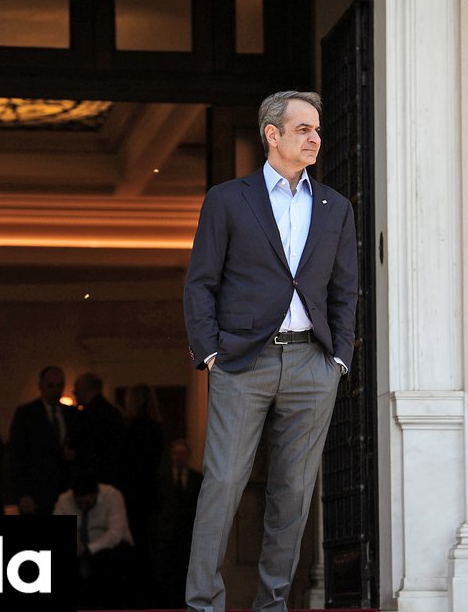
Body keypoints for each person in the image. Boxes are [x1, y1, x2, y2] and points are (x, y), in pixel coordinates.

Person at [182, 90, 358, 612]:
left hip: (312, 364)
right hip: (243, 363)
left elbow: (345, 290)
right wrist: (210, 353)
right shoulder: (227, 199)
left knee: (293, 492)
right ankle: (203, 603)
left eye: (317, 129)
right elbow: (201, 283)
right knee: (223, 484)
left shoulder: (335, 207)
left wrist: (338, 359)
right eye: (303, 129)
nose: (315, 138)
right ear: (272, 134)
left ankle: (273, 604)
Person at [54, 471, 135, 609]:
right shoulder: (64, 500)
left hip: (109, 549)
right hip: (79, 549)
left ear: (95, 494)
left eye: (86, 502)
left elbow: (115, 533)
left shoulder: (112, 495)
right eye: (79, 503)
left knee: (109, 561)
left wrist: (88, 548)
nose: (83, 507)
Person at [118, 384, 165, 607]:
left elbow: (129, 465)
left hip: (135, 497)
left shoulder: (135, 428)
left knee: (137, 548)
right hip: (151, 496)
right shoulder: (156, 427)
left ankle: (138, 597)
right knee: (149, 548)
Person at [8, 366, 77, 515]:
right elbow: (17, 455)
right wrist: (23, 493)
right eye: (51, 386)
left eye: (59, 386)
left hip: (66, 491)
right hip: (37, 492)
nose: (56, 391)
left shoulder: (71, 413)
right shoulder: (26, 414)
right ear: (41, 386)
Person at [154, 438, 203, 606]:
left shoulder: (197, 479)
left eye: (182, 453)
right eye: (176, 453)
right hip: (166, 538)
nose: (179, 457)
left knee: (186, 575)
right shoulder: (162, 478)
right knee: (167, 575)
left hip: (188, 537)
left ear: (188, 455)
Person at [71, 372, 125, 487]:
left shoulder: (87, 415)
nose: (74, 392)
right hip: (114, 476)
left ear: (85, 388)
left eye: (76, 388)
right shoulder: (113, 412)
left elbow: (81, 448)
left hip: (92, 480)